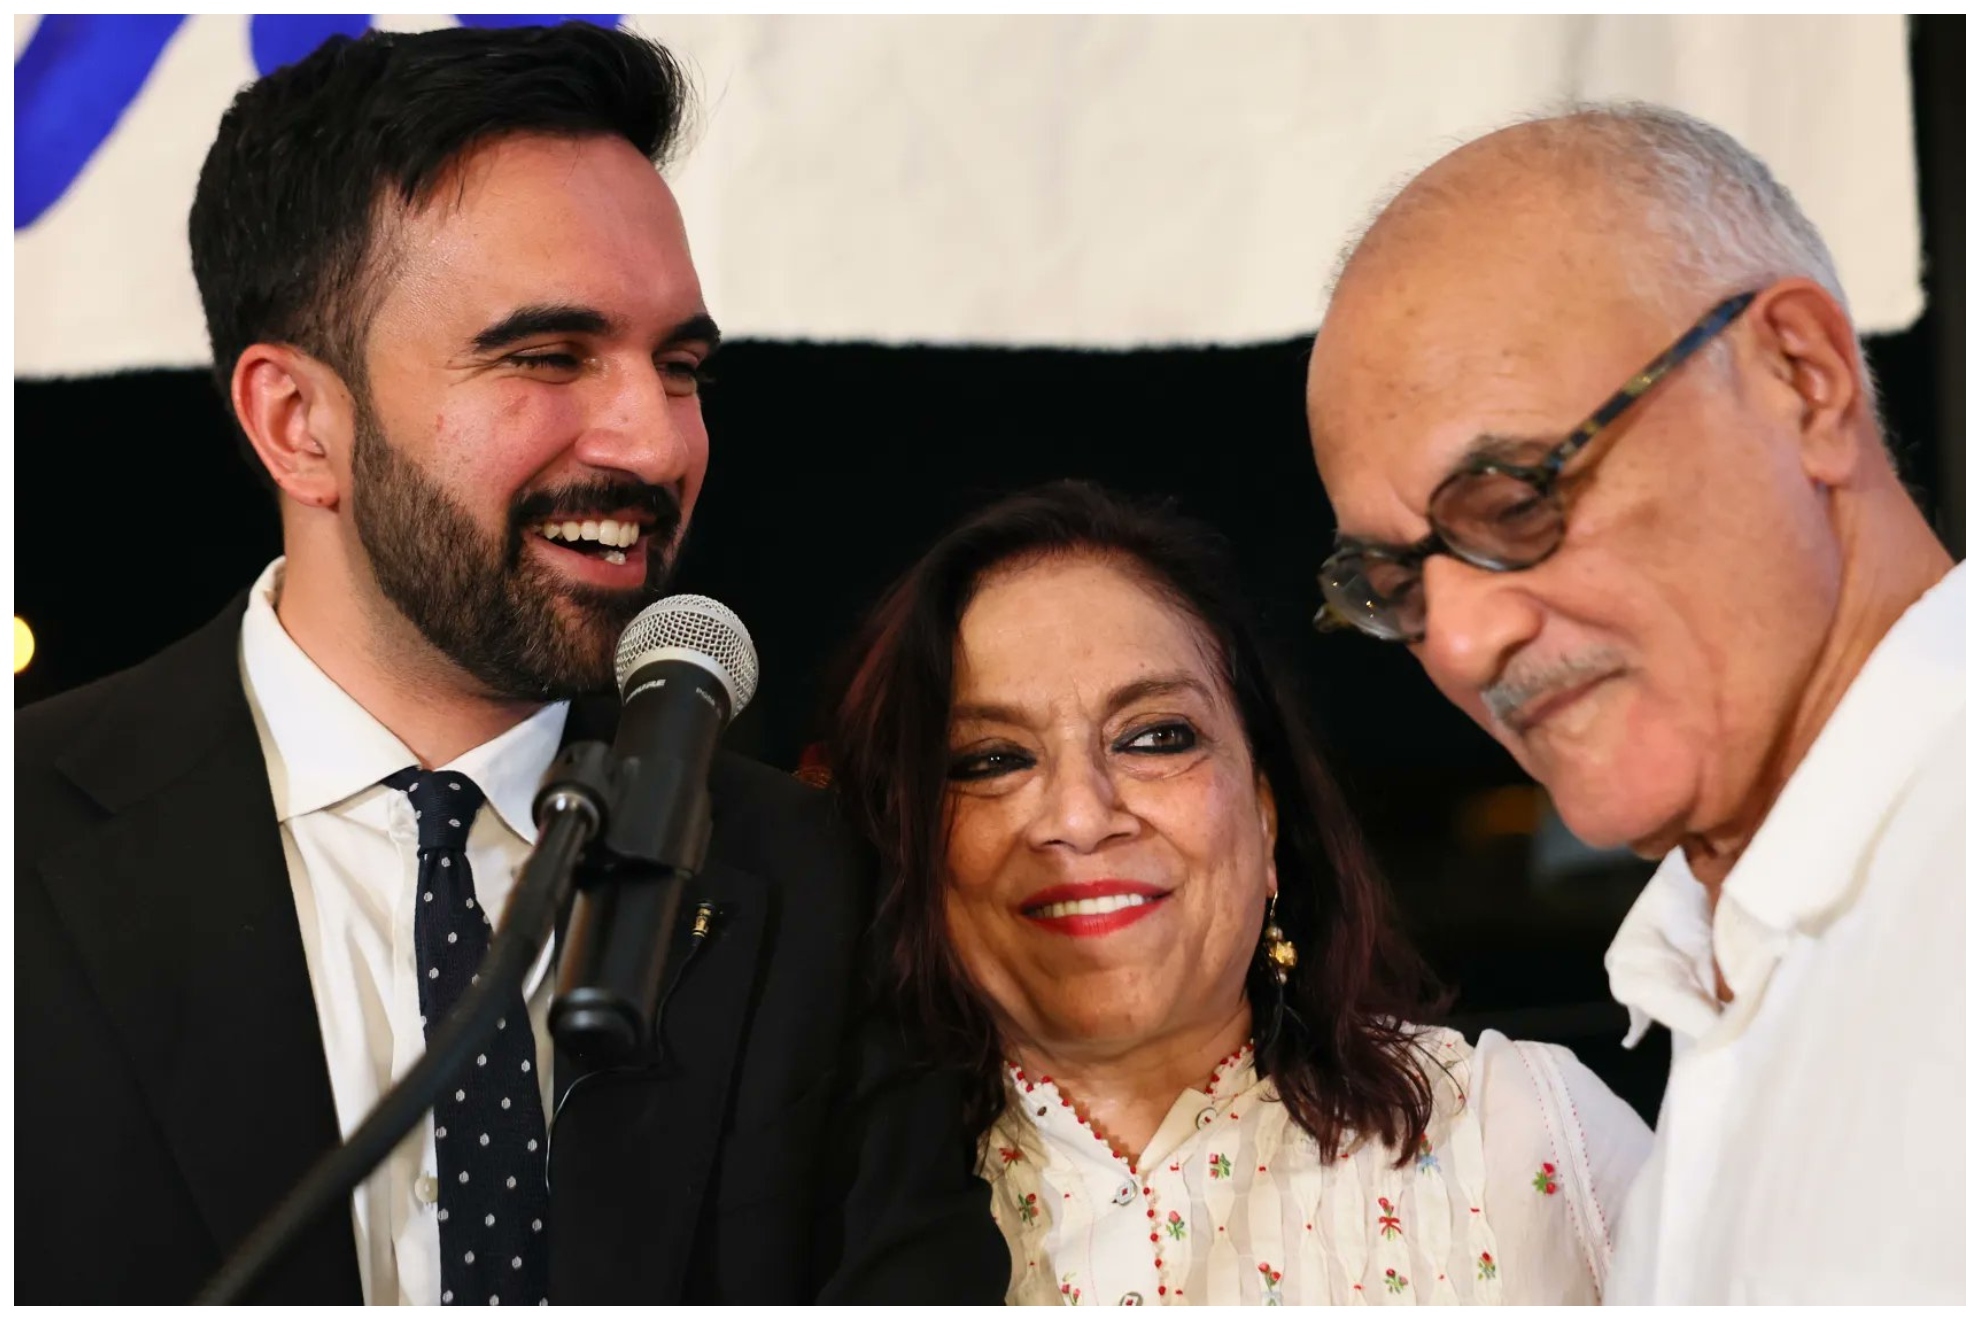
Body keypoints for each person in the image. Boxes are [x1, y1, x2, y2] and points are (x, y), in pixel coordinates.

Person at [15, 22, 1004, 1305]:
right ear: (297, 423)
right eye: (545, 356)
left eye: (682, 366)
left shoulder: (818, 886)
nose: (654, 442)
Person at [1304, 102, 1962, 1303]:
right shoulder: (1710, 975)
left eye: (1514, 504)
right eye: (1394, 585)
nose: (1458, 640)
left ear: (1802, 381)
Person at [827, 479, 1653, 1305]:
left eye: (1155, 738)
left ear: (1266, 812)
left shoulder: (1522, 1135)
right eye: (992, 759)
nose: (1079, 817)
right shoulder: (820, 1213)